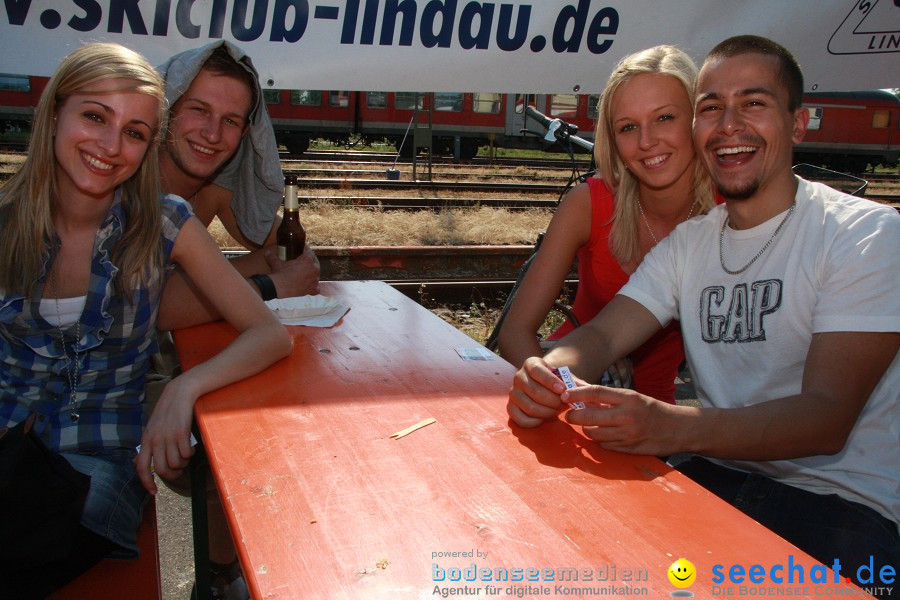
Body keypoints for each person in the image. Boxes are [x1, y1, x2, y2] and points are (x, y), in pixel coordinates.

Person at [507, 35, 899, 589]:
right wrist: (550, 369)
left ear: (799, 123)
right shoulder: (688, 245)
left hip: (844, 509)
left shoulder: (866, 234)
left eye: (753, 104)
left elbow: (826, 419)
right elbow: (602, 335)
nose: (729, 124)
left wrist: (672, 427)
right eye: (711, 107)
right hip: (717, 479)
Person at [0, 43, 292, 597]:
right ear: (54, 113)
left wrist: (184, 389)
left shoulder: (163, 221)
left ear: (148, 143)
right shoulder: (6, 226)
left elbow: (268, 333)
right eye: (94, 116)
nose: (111, 146)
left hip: (99, 464)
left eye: (134, 132)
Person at [497, 45, 716, 404]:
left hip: (659, 411)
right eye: (628, 127)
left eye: (665, 118)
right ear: (611, 139)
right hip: (574, 379)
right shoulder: (589, 203)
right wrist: (553, 387)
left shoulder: (732, 214)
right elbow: (516, 333)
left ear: (697, 119)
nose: (647, 141)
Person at [156, 41, 319, 331]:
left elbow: (295, 254)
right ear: (167, 108)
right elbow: (141, 308)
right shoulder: (120, 183)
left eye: (230, 120)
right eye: (199, 109)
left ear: (245, 133)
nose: (212, 134)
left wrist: (217, 283)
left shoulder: (214, 192)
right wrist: (269, 287)